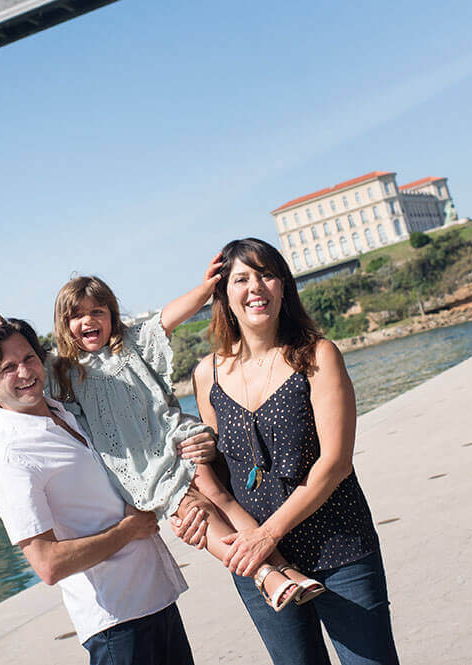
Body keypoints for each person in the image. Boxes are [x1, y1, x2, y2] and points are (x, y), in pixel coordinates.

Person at [0, 262, 324, 612]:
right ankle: (265, 575)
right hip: (143, 470)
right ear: (64, 325)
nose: (89, 320)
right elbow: (21, 358)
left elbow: (169, 316)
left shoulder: (132, 344)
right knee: (192, 514)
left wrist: (205, 290)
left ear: (112, 314)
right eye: (77, 316)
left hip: (175, 440)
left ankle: (281, 565)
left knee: (220, 496)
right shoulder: (63, 370)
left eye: (98, 311)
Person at [173, 237, 400, 665]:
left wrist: (268, 533)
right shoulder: (208, 373)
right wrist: (195, 510)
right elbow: (216, 472)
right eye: (241, 279)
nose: (255, 287)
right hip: (259, 564)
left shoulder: (317, 355)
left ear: (283, 287)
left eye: (266, 275)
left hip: (339, 548)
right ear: (223, 294)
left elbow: (335, 463)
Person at [0, 318, 194, 664]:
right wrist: (129, 529)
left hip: (156, 599)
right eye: (8, 368)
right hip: (117, 623)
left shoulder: (62, 410)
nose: (25, 372)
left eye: (29, 358)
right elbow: (48, 564)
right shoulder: (10, 458)